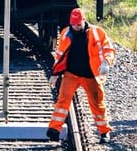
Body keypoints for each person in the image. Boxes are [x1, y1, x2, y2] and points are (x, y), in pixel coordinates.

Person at [46, 8, 116, 144]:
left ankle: (104, 132)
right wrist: (55, 74)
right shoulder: (66, 33)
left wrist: (106, 63)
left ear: (84, 21)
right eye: (74, 25)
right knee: (62, 101)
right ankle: (54, 130)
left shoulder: (97, 33)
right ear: (70, 23)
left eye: (79, 24)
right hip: (71, 74)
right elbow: (60, 55)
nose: (76, 27)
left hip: (90, 75)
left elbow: (109, 49)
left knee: (97, 103)